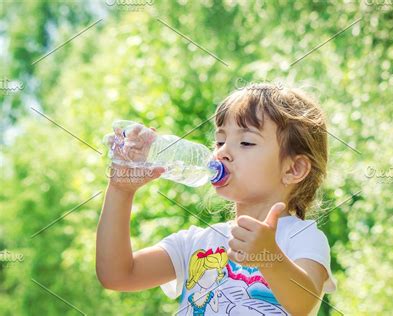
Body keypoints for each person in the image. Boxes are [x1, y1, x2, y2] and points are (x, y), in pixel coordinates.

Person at [96, 82, 337, 315]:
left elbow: (304, 303)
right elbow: (117, 275)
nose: (222, 152)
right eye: (220, 141)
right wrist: (120, 191)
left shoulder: (301, 236)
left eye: (246, 142)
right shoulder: (197, 243)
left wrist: (269, 255)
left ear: (293, 169)